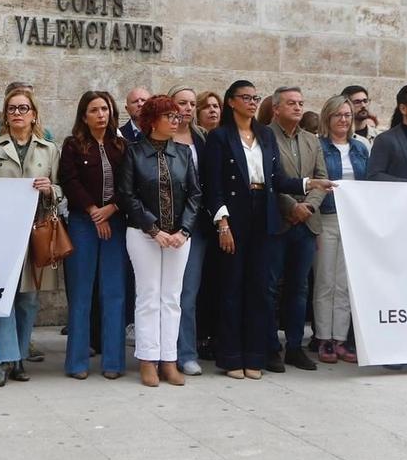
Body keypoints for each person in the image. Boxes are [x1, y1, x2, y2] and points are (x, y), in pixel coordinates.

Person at [202, 80, 318, 379]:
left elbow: (277, 178)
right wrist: (222, 223)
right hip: (233, 212)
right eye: (246, 97)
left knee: (259, 289)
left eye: (255, 98)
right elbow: (213, 185)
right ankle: (231, 357)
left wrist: (307, 183)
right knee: (232, 287)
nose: (252, 102)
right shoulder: (219, 137)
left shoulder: (265, 135)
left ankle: (255, 356)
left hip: (263, 212)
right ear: (231, 101)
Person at [118, 95, 198, 386]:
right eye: (169, 116)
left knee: (172, 298)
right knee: (148, 296)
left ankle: (169, 360)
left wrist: (183, 231)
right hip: (143, 235)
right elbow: (127, 195)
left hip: (178, 237)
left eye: (177, 116)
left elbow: (195, 195)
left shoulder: (184, 153)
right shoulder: (134, 152)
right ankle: (148, 360)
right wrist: (153, 229)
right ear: (152, 121)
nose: (176, 120)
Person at [0, 83, 59, 387]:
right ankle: (2, 362)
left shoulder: (49, 149)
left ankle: (18, 359)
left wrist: (50, 189)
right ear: (5, 115)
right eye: (12, 108)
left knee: (28, 298)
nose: (18, 113)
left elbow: (61, 190)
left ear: (34, 114)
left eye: (23, 108)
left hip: (35, 230)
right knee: (2, 295)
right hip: (1, 231)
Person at [57, 90, 127, 379]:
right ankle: (77, 363)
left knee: (114, 292)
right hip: (82, 223)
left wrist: (110, 209)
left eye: (105, 109)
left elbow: (128, 183)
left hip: (115, 222)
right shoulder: (73, 145)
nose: (101, 115)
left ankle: (113, 362)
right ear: (84, 116)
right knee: (81, 292)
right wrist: (93, 210)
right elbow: (69, 180)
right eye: (94, 110)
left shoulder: (121, 145)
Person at [268, 86, 326, 371]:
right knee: (271, 287)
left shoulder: (312, 140)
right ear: (276, 108)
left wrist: (309, 207)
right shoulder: (265, 136)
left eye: (301, 103)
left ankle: (294, 346)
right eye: (291, 103)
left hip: (307, 223)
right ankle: (269, 346)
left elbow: (321, 178)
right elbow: (267, 179)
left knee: (299, 287)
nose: (297, 107)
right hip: (279, 221)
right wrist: (292, 207)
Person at [313, 94, 371, 363]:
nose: (344, 120)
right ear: (328, 117)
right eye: (338, 115)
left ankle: (340, 338)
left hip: (352, 220)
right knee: (325, 280)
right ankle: (323, 338)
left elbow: (368, 183)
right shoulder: (318, 146)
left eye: (347, 115)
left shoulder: (361, 148)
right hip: (327, 217)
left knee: (346, 282)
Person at [169, 87, 207, 376]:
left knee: (189, 293)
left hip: (196, 225)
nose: (188, 108)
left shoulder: (202, 138)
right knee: (164, 293)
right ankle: (163, 352)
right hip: (166, 225)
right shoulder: (160, 136)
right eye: (182, 103)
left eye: (192, 104)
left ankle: (186, 353)